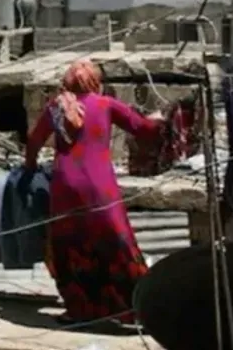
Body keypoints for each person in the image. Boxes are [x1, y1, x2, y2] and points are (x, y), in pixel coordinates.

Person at [24, 59, 164, 326]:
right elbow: (143, 129)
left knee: (70, 246)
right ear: (96, 83)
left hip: (65, 188)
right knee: (117, 244)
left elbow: (33, 141)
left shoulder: (56, 107)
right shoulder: (106, 105)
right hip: (100, 188)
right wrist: (160, 120)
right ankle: (133, 309)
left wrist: (29, 167)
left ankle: (78, 311)